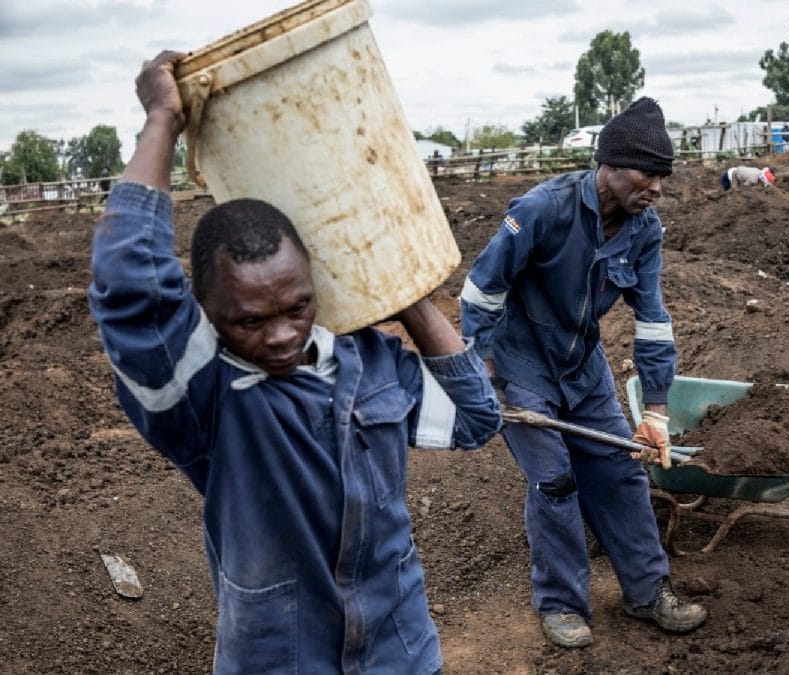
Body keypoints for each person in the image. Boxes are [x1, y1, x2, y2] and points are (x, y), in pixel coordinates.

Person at [88, 52, 502, 675]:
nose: (280, 335)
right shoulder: (205, 398)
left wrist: (402, 287)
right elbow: (128, 280)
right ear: (205, 314)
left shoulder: (369, 361)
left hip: (402, 651)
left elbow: (477, 418)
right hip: (282, 660)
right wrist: (162, 121)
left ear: (315, 284)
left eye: (298, 305)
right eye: (250, 320)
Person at [459, 97, 707, 649]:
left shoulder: (645, 230)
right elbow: (481, 289)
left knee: (621, 471)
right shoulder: (544, 208)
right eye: (649, 173)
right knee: (556, 481)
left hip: (582, 368)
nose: (658, 187)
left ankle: (648, 592)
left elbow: (653, 321)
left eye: (664, 176)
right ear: (611, 165)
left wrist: (658, 412)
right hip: (519, 365)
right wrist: (480, 370)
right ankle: (562, 603)